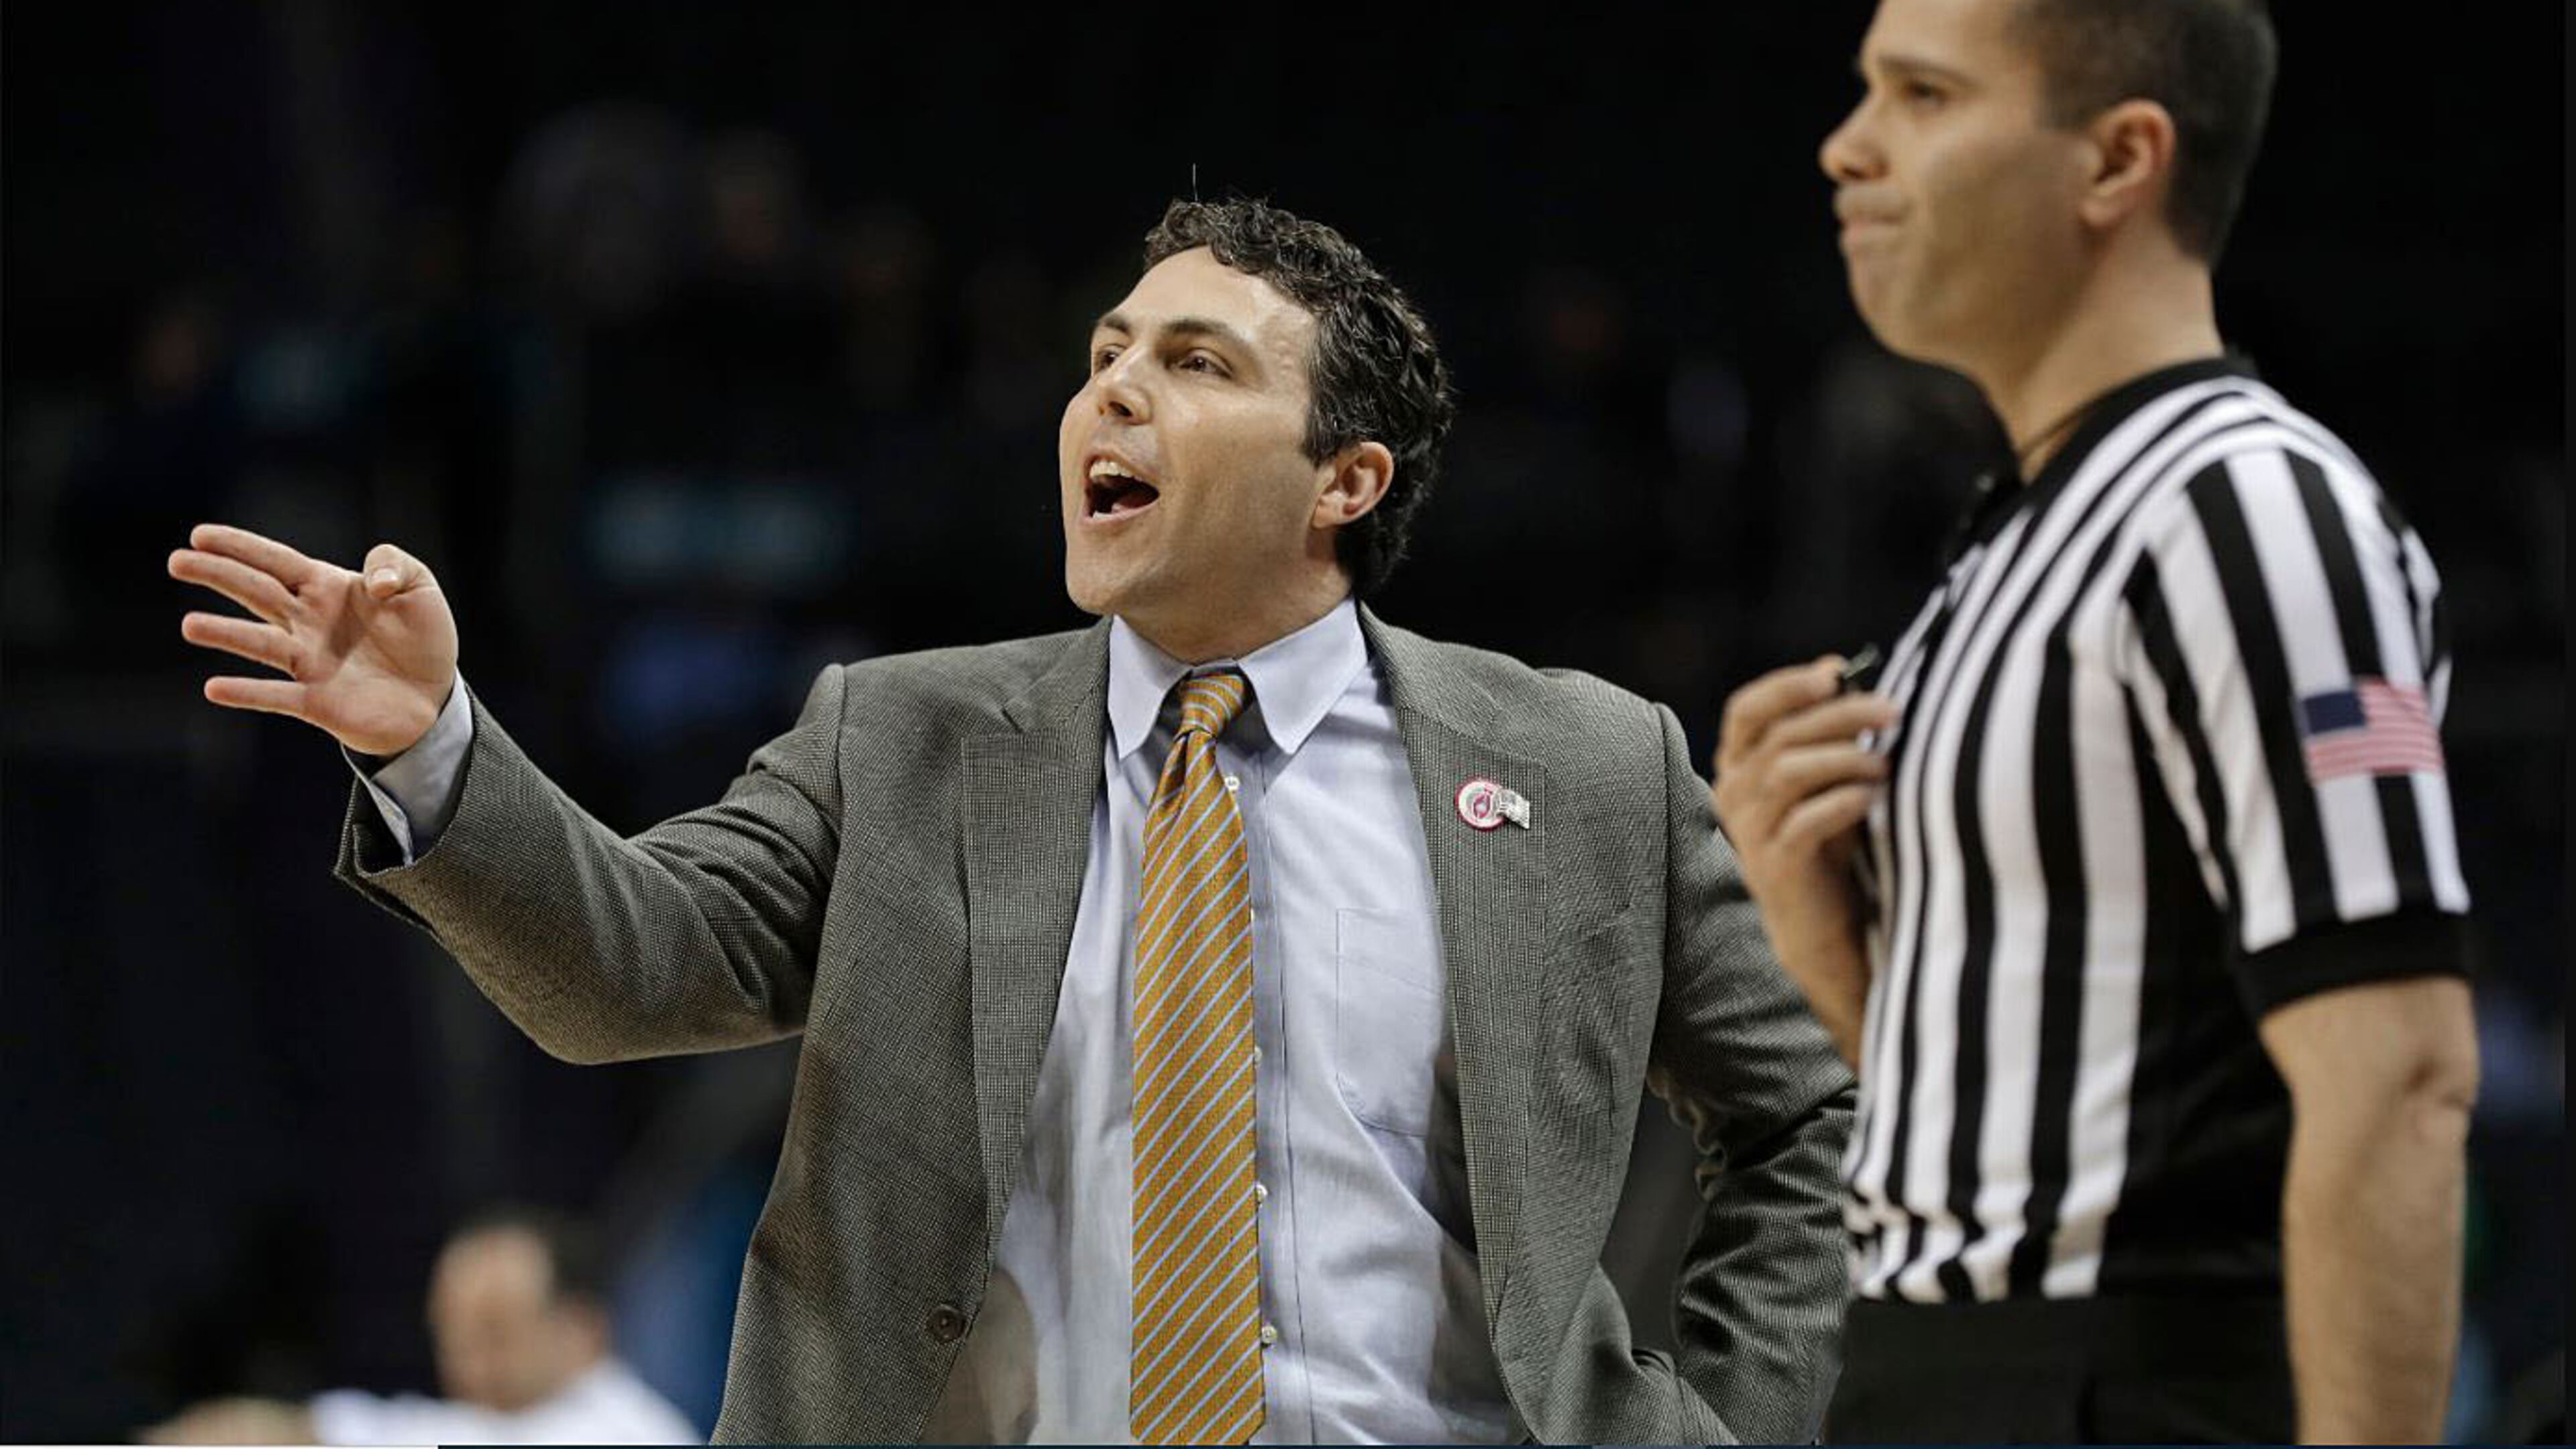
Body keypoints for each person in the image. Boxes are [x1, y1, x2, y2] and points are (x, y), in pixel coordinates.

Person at [168, 198, 1854, 1444]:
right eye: (1103, 355)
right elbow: (628, 968)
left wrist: (1731, 1425)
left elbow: (1800, 1119)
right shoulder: (899, 737)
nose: (1109, 393)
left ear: (1344, 479)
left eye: (1191, 363)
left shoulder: (1581, 762)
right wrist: (432, 743)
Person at [1711, 1, 2479, 1441]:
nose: (1846, 146)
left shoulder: (2246, 507)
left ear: (2119, 160)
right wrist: (1827, 953)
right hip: (1936, 1375)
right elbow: (2031, 1164)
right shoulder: (2012, 544)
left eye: (1922, 95)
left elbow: (2404, 1080)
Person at [140, 1211, 698, 1445]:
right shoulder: (472, 1421)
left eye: (496, 1334)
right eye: (451, 1337)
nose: (469, 1363)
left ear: (583, 1329)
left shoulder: (632, 1433)